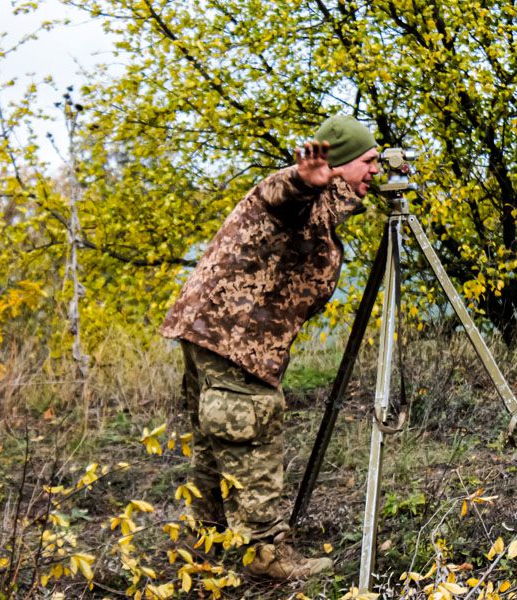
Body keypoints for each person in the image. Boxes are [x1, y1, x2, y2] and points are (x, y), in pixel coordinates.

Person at [160, 115, 379, 579]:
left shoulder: (322, 201)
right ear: (337, 165)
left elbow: (320, 208)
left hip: (211, 331)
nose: (377, 171)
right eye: (369, 161)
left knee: (215, 445)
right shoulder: (292, 195)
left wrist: (342, 188)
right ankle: (262, 553)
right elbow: (284, 195)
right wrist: (302, 179)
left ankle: (207, 544)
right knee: (249, 434)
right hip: (233, 340)